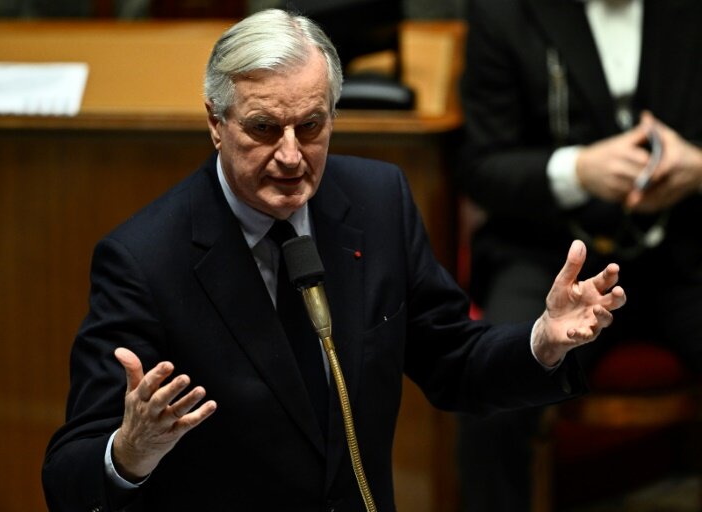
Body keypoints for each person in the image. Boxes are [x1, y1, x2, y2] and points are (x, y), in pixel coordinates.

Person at [41, 8, 626, 511]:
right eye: (264, 128)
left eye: (312, 125)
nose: (292, 156)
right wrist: (129, 453)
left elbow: (452, 359)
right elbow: (68, 476)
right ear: (216, 124)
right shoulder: (143, 259)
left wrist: (542, 341)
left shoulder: (378, 203)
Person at [456, 0, 702, 510]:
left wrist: (697, 166)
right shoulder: (503, 13)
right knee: (496, 383)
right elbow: (482, 168)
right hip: (548, 256)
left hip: (685, 248)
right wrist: (577, 171)